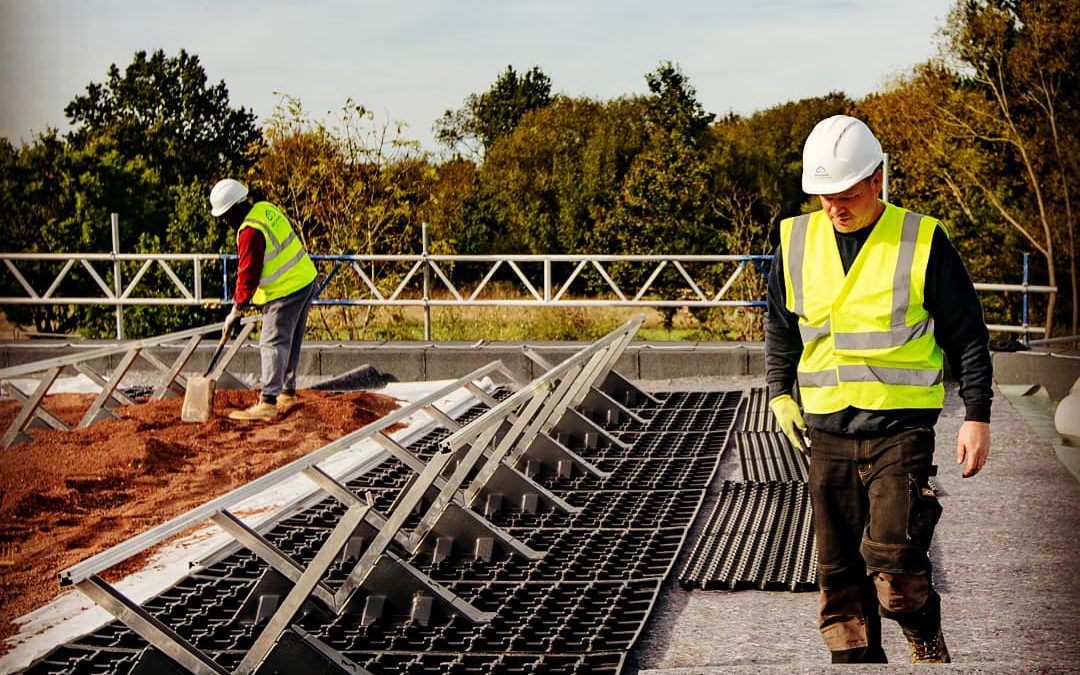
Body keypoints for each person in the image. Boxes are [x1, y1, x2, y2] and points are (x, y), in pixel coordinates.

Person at [764, 115, 992, 664]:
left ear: (877, 179)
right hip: (825, 429)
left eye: (846, 195)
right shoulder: (796, 239)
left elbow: (968, 334)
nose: (835, 208)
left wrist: (977, 416)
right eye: (824, 198)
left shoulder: (921, 239)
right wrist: (778, 391)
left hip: (899, 428)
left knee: (895, 566)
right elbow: (780, 322)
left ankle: (921, 628)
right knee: (838, 578)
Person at [209, 179, 318, 422]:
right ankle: (287, 393)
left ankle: (268, 401)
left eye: (226, 216)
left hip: (285, 289)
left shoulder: (250, 231)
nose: (225, 222)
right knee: (289, 341)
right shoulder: (265, 208)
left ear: (235, 208)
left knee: (272, 342)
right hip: (304, 278)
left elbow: (248, 274)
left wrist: (236, 310)